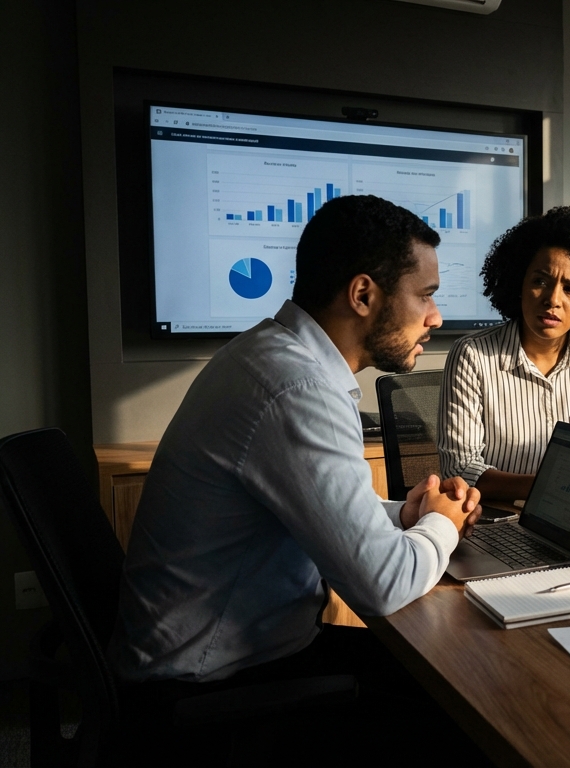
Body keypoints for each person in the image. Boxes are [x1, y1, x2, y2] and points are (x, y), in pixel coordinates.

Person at [109, 194, 486, 764]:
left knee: (445, 678)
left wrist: (407, 516)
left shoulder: (270, 355)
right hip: (210, 696)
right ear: (363, 295)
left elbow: (313, 506)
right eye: (426, 295)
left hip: (227, 662)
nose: (436, 317)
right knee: (468, 710)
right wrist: (443, 525)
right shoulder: (298, 390)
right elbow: (382, 585)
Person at [438, 206, 570, 501]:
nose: (553, 300)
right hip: (500, 516)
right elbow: (460, 469)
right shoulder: (472, 355)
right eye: (540, 281)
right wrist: (552, 488)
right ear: (518, 283)